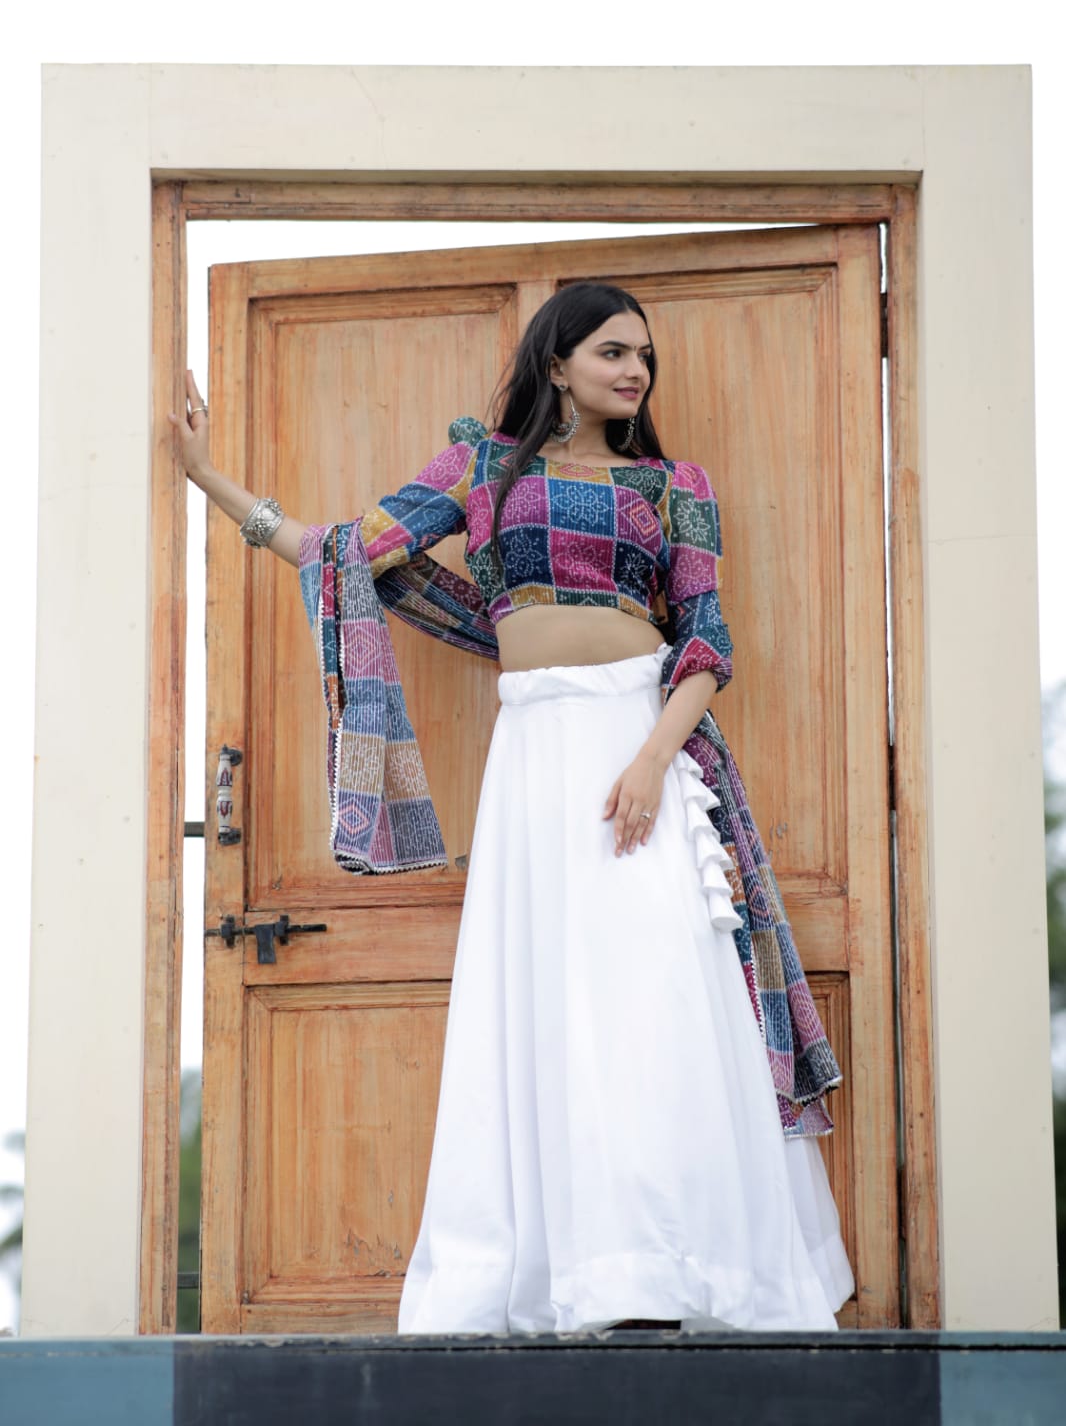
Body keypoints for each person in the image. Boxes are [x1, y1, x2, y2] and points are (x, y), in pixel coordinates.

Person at [170, 279, 855, 1335]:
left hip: (641, 746)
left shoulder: (674, 487)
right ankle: (575, 1271)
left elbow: (707, 645)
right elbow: (347, 550)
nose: (634, 372)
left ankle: (679, 1269)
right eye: (613, 352)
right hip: (535, 753)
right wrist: (206, 476)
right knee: (546, 1000)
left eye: (644, 359)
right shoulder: (485, 467)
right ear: (556, 362)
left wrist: (646, 759)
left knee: (658, 996)